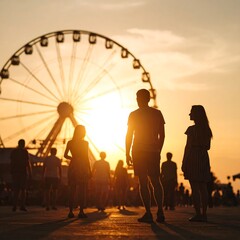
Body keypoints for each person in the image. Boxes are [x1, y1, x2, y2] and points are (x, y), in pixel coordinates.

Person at [126, 89, 165, 223]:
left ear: (139, 99)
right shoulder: (157, 113)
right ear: (149, 98)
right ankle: (160, 210)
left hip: (138, 151)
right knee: (156, 181)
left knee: (143, 182)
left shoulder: (133, 115)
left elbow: (129, 135)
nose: (136, 100)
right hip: (153, 151)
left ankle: (148, 212)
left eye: (137, 97)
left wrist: (127, 153)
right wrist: (158, 150)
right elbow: (162, 135)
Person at [181, 105, 213, 222]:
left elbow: (187, 147)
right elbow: (208, 147)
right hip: (204, 157)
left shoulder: (191, 130)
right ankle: (204, 214)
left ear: (196, 114)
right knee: (203, 187)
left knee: (194, 187)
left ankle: (198, 213)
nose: (189, 114)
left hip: (193, 157)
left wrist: (184, 161)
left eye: (191, 112)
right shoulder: (207, 130)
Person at [64, 125, 91, 218]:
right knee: (82, 190)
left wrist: (73, 158)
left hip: (73, 166)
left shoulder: (70, 142)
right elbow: (86, 157)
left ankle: (70, 211)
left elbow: (65, 155)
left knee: (72, 189)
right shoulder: (85, 143)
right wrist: (89, 169)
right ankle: (81, 211)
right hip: (82, 167)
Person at [10, 139, 32, 212]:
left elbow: (11, 162)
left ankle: (14, 206)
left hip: (15, 172)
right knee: (23, 190)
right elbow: (27, 162)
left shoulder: (13, 152)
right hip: (23, 172)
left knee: (16, 190)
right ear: (23, 144)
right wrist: (30, 172)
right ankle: (22, 205)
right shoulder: (24, 152)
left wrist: (11, 171)